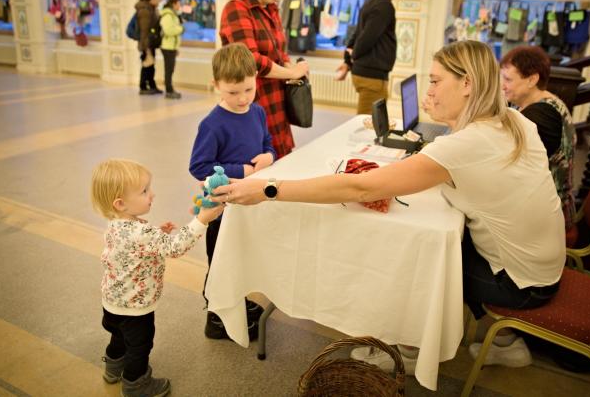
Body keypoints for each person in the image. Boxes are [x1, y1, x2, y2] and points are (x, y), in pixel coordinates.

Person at [212, 40, 565, 371]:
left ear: (468, 84)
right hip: (541, 266)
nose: (428, 91)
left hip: (519, 283)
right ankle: (503, 341)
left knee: (414, 255)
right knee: (433, 238)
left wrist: (268, 190)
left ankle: (408, 351)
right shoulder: (514, 119)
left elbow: (360, 187)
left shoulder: (469, 144)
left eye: (435, 81)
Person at [90, 158, 223, 396]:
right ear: (120, 203)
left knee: (118, 338)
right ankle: (136, 384)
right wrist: (202, 220)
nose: (152, 194)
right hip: (135, 309)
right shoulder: (143, 233)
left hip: (111, 303)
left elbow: (131, 249)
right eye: (144, 191)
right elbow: (175, 248)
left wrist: (157, 234)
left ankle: (112, 368)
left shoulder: (114, 224)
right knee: (139, 347)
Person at [188, 43, 276, 340]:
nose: (242, 99)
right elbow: (200, 166)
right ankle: (215, 315)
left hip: (249, 201)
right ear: (216, 86)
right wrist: (246, 171)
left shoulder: (259, 112)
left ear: (255, 80)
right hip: (222, 206)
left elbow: (267, 144)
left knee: (242, 254)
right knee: (221, 258)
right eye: (233, 92)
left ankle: (235, 300)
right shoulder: (212, 124)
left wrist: (269, 157)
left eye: (248, 90)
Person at [219, 0, 310, 159]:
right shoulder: (236, 9)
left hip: (277, 101)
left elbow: (279, 52)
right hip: (251, 102)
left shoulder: (271, 10)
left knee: (279, 165)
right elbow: (250, 60)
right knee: (257, 168)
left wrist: (292, 66)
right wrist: (291, 73)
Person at [500, 46, 576, 229]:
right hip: (537, 202)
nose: (502, 85)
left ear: (532, 79)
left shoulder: (543, 115)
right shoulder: (527, 105)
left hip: (551, 216)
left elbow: (507, 162)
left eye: (508, 79)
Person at [335, 0, 418, 114]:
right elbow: (364, 40)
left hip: (368, 75)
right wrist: (352, 59)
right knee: (368, 126)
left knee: (371, 125)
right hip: (371, 78)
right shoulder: (383, 5)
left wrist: (348, 61)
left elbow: (356, 34)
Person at [135, 0, 163, 95]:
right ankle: (143, 87)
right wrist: (146, 48)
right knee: (147, 65)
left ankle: (151, 85)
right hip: (146, 44)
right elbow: (144, 30)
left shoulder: (151, 9)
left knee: (150, 65)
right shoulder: (145, 11)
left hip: (150, 43)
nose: (159, 1)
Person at [159, 0, 184, 99]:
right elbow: (168, 30)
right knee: (169, 69)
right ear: (174, 3)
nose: (180, 6)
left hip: (171, 47)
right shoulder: (168, 15)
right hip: (167, 47)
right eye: (179, 3)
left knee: (170, 69)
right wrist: (181, 29)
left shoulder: (173, 14)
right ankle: (169, 90)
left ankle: (170, 89)